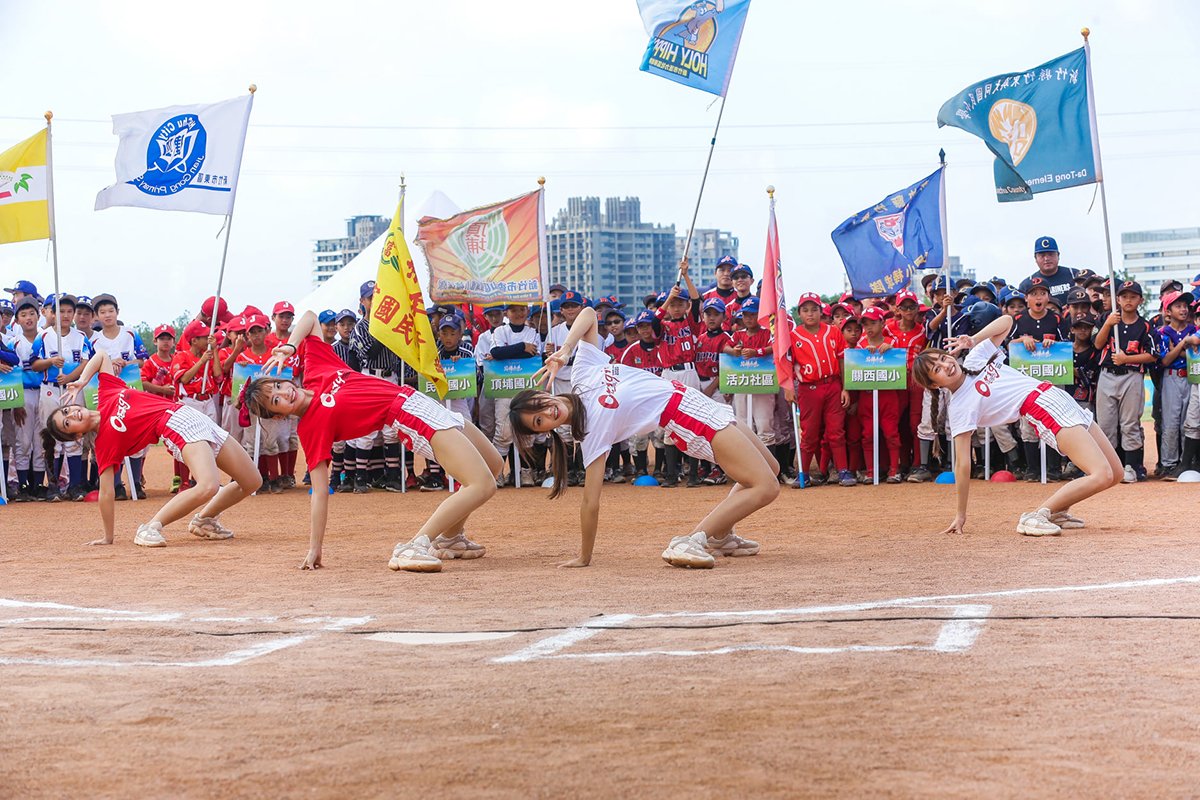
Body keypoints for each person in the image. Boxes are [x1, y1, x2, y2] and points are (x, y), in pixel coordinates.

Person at [510, 306, 779, 569]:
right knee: (765, 486)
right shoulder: (591, 433)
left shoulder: (582, 373)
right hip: (686, 418)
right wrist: (584, 557)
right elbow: (590, 502)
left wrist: (566, 349)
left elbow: (589, 315)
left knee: (771, 468)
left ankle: (721, 534)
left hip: (692, 399)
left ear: (542, 393)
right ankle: (690, 540)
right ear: (543, 431)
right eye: (538, 421)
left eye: (539, 404)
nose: (547, 412)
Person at [245, 310, 503, 572]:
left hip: (417, 400)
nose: (283, 393)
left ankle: (451, 537)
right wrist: (315, 547)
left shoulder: (317, 370)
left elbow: (310, 317)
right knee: (482, 484)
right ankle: (413, 546)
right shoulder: (311, 427)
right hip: (407, 416)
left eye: (277, 386)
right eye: (275, 400)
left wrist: (289, 346)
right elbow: (320, 492)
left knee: (493, 464)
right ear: (278, 416)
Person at [912, 313, 1121, 537]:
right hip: (1041, 408)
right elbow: (962, 464)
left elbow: (1006, 321)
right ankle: (1036, 515)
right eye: (937, 369)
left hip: (1058, 397)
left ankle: (1057, 511)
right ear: (934, 385)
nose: (946, 365)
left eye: (943, 358)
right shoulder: (959, 407)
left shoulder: (974, 358)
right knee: (1101, 474)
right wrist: (960, 514)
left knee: (1115, 473)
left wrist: (973, 339)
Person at [44, 348, 261, 547]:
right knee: (208, 485)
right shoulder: (104, 442)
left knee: (252, 481)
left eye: (66, 412)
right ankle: (150, 527)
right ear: (78, 434)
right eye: (67, 423)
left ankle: (205, 520)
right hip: (175, 425)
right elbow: (106, 492)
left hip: (193, 415)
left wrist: (82, 380)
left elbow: (101, 355)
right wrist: (107, 537)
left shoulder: (107, 393)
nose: (71, 415)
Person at [785, 292, 854, 487]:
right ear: (799, 313)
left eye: (814, 309)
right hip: (809, 388)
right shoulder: (793, 336)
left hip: (833, 385)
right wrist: (788, 387)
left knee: (836, 431)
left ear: (820, 311)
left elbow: (841, 359)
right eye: (805, 310)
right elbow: (785, 363)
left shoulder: (833, 332)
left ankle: (843, 471)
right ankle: (804, 473)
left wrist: (845, 388)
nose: (810, 314)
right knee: (809, 433)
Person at [1094, 281, 1158, 483]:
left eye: (1133, 296)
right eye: (1124, 296)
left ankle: (1131, 467)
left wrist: (1127, 359)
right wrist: (1107, 324)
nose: (1128, 300)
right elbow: (1097, 344)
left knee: (1129, 423)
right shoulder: (1108, 318)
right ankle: (1110, 468)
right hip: (1107, 374)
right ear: (1118, 299)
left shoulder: (1145, 325)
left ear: (1140, 299)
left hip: (1132, 375)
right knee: (1105, 423)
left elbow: (1153, 355)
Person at [1157, 289, 1196, 480]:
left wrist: (1177, 350)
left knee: (1187, 422)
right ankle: (1168, 464)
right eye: (1178, 306)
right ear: (1168, 311)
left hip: (1190, 376)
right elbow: (1165, 360)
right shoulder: (1163, 332)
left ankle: (1184, 463)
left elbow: (1191, 357)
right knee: (1171, 422)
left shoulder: (1193, 330)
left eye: (1185, 306)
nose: (1183, 309)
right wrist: (1183, 346)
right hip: (1171, 376)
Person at [1028, 236, 1077, 306]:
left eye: (1051, 254)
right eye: (1042, 255)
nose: (1047, 258)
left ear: (1058, 255)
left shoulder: (1074, 275)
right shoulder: (1028, 283)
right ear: (1035, 258)